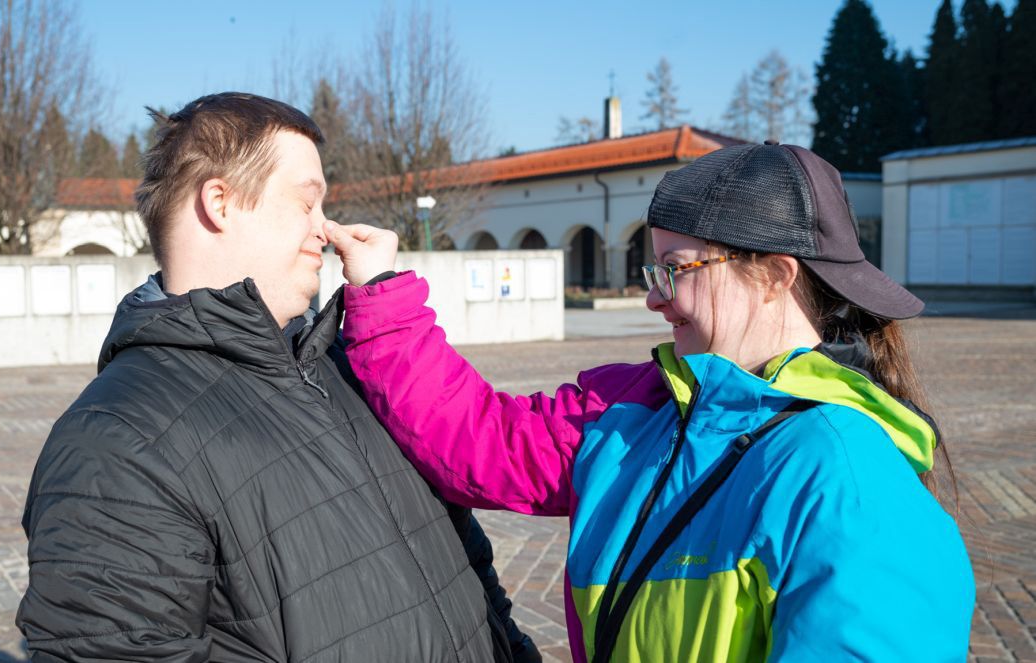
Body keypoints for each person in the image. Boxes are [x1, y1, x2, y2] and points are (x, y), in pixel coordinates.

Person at [326, 142, 976, 662]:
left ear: (775, 276)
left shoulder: (849, 475)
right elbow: (483, 439)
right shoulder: (636, 408)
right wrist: (382, 293)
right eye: (652, 270)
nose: (654, 298)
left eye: (677, 269)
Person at [15, 92, 539, 662]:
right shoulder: (116, 441)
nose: (326, 229)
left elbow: (470, 570)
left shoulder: (351, 368)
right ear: (220, 202)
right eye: (306, 203)